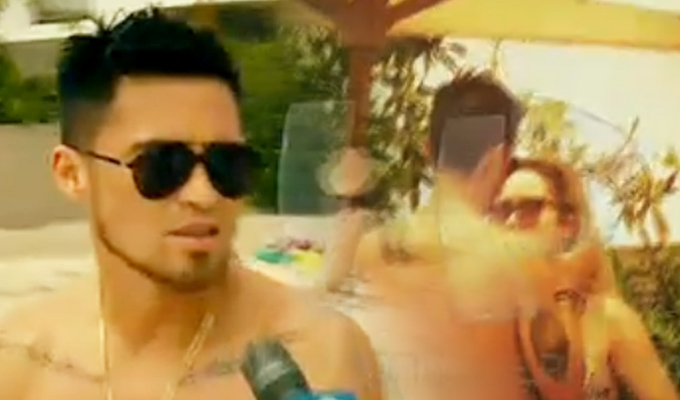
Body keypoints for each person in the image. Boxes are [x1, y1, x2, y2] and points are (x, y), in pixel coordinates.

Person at [0, 9, 383, 400]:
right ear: (71, 174)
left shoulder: (322, 357)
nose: (203, 194)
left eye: (225, 165)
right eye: (162, 165)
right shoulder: (21, 365)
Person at [324, 70, 558, 400]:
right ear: (498, 158)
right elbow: (561, 385)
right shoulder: (519, 262)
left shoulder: (370, 250)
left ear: (428, 148)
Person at [493, 157, 678, 400]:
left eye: (531, 207)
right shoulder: (501, 330)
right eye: (503, 210)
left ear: (568, 224)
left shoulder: (608, 322)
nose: (511, 222)